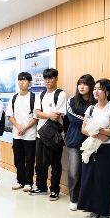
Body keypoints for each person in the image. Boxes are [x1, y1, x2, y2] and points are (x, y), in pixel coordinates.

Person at [78, 78, 110, 218]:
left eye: (100, 89)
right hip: (92, 146)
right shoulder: (90, 108)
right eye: (95, 88)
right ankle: (93, 209)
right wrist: (95, 133)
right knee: (90, 178)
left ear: (107, 92)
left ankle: (104, 212)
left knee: (104, 180)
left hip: (106, 149)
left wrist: (99, 130)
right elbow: (83, 129)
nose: (96, 91)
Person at [32, 68, 67, 201]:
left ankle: (54, 190)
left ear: (56, 79)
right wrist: (47, 114)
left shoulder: (61, 94)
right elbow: (37, 112)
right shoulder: (40, 95)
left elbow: (57, 115)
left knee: (55, 163)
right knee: (40, 163)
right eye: (45, 78)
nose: (47, 81)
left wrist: (43, 114)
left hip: (54, 135)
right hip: (41, 133)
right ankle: (41, 187)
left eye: (50, 78)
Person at [65, 74, 95, 210]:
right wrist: (89, 121)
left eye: (85, 84)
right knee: (74, 172)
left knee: (88, 173)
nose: (81, 87)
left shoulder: (96, 102)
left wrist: (88, 122)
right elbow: (72, 118)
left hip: (92, 141)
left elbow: (100, 119)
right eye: (79, 84)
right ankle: (74, 199)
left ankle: (87, 200)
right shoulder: (72, 100)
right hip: (74, 141)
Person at [7, 72, 38, 191]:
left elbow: (36, 117)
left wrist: (24, 128)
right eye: (20, 80)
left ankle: (29, 182)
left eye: (24, 80)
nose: (21, 82)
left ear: (29, 83)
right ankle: (20, 181)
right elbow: (10, 115)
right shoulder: (14, 97)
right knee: (18, 159)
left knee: (29, 159)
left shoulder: (34, 97)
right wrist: (18, 126)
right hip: (16, 134)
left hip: (30, 134)